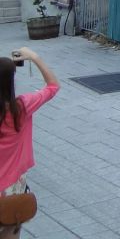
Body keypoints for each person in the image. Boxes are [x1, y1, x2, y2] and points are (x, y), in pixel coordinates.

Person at [0, 47, 59, 238]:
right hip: (12, 188)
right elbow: (53, 86)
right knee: (11, 229)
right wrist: (33, 57)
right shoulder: (22, 106)